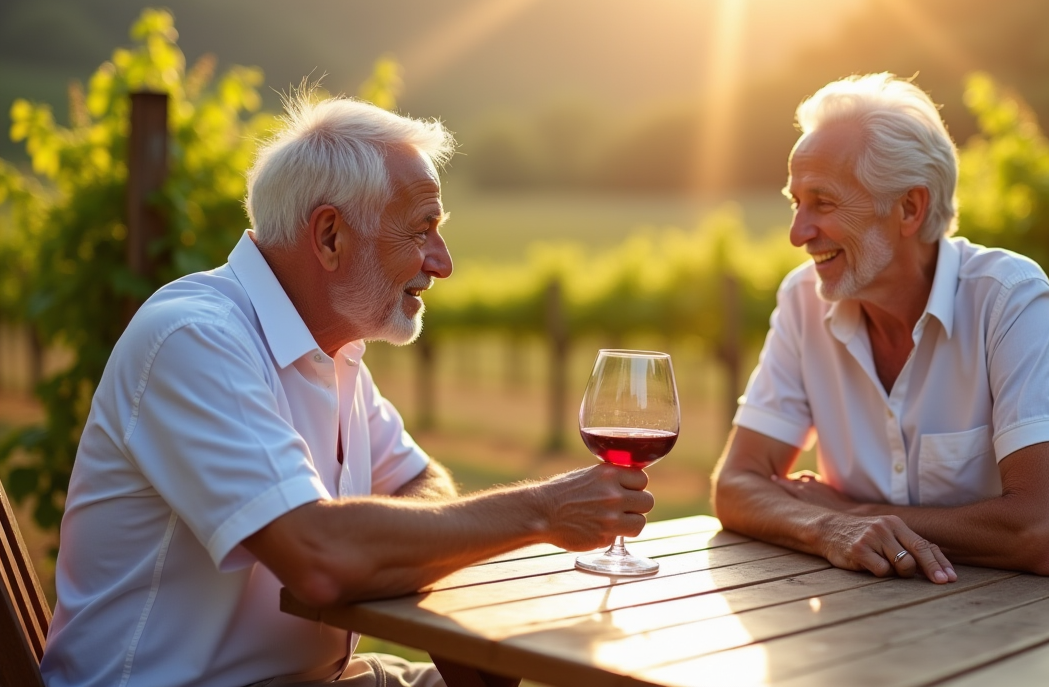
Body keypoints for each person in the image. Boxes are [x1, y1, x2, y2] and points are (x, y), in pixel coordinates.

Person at [40, 96, 653, 687]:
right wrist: (541, 510)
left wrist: (372, 547)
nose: (442, 263)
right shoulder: (196, 339)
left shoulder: (332, 347)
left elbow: (426, 483)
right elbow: (320, 559)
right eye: (422, 230)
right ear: (330, 236)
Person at [712, 73, 1049, 584]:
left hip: (1038, 622)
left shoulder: (1008, 296)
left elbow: (1042, 532)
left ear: (909, 208)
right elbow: (736, 483)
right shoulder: (803, 298)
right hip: (879, 614)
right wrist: (825, 526)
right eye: (794, 202)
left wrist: (855, 514)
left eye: (822, 203)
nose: (797, 233)